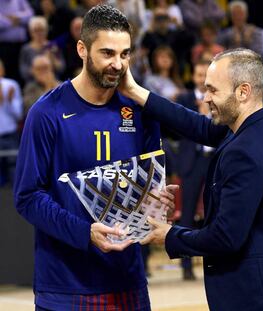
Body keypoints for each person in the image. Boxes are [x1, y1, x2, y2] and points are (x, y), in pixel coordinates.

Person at [118, 48, 263, 310]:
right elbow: (197, 125)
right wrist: (134, 91)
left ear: (243, 92)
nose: (206, 98)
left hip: (258, 298)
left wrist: (170, 235)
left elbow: (226, 237)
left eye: (212, 90)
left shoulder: (244, 151)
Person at [14, 5, 175, 311]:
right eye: (107, 53)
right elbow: (27, 196)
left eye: (125, 54)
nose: (118, 64)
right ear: (82, 49)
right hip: (66, 286)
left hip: (128, 280)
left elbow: (149, 184)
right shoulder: (46, 113)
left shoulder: (140, 110)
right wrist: (83, 233)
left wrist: (158, 201)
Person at [175, 60, 213, 281]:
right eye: (198, 74)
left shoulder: (219, 96)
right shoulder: (184, 99)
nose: (201, 79)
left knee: (213, 212)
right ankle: (186, 266)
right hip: (192, 161)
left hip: (214, 160)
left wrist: (209, 113)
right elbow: (177, 128)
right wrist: (200, 115)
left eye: (204, 75)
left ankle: (213, 262)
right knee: (187, 214)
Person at [0, 59, 23, 187]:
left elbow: (18, 114)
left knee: (14, 174)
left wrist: (8, 101)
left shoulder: (11, 85)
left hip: (10, 134)